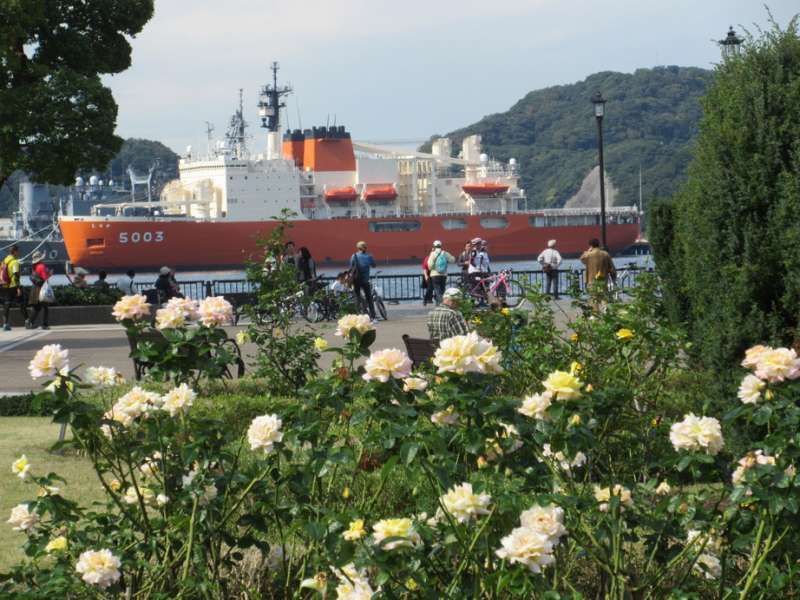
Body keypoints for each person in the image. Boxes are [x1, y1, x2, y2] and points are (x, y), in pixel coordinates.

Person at [1, 245, 28, 331]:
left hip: (5, 285)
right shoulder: (14, 262)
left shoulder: (4, 261)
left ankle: (5, 324)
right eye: (18, 251)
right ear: (15, 252)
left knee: (7, 304)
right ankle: (27, 322)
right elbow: (16, 275)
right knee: (21, 303)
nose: (19, 253)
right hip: (13, 285)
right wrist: (18, 288)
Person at [349, 241, 377, 322]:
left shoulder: (354, 256)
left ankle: (358, 316)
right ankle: (373, 317)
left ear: (358, 248)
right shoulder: (369, 256)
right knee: (369, 298)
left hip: (356, 280)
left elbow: (351, 267)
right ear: (365, 248)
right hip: (365, 280)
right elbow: (374, 265)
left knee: (357, 298)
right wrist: (371, 259)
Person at [27, 250, 52, 329]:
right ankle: (44, 324)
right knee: (45, 307)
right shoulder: (42, 266)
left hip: (34, 288)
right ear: (40, 259)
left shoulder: (34, 267)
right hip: (41, 289)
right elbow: (44, 278)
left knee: (36, 307)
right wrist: (49, 274)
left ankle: (29, 322)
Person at [426, 240, 455, 305]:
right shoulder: (445, 253)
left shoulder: (432, 253)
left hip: (435, 274)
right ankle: (441, 302)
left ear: (434, 246)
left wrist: (432, 268)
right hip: (443, 274)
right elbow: (452, 260)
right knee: (442, 289)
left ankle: (440, 302)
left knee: (437, 289)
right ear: (441, 246)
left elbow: (429, 265)